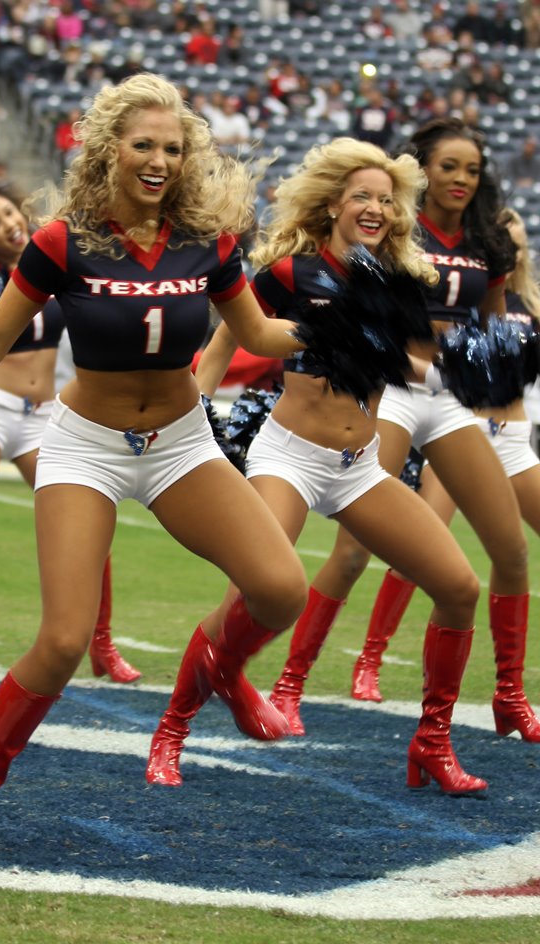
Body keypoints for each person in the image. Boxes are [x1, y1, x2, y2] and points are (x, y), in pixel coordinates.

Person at [0, 73, 308, 863]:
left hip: (182, 443)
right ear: (109, 149)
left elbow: (256, 331)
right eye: (144, 145)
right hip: (85, 444)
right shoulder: (64, 240)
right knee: (60, 640)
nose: (159, 159)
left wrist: (338, 327)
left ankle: (220, 672)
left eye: (173, 147)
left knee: (281, 588)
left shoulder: (210, 240)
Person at [146, 136, 488, 798]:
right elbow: (225, 341)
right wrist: (192, 420)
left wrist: (466, 371)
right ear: (333, 202)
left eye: (386, 201)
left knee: (459, 587)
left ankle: (433, 743)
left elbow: (411, 364)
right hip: (290, 457)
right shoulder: (290, 273)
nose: (375, 208)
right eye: (362, 195)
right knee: (253, 594)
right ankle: (173, 729)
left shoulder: (401, 284)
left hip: (360, 465)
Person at [261, 118, 534, 750]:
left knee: (510, 549)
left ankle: (509, 696)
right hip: (388, 390)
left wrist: (496, 388)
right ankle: (290, 684)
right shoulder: (392, 230)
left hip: (449, 397)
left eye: (472, 168)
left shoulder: (486, 242)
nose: (462, 179)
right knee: (355, 551)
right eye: (449, 167)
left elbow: (491, 332)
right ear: (423, 169)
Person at [0, 178, 141, 687]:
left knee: (91, 526)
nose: (9, 225)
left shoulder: (53, 262)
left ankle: (102, 646)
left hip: (42, 415)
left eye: (10, 213)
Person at [353, 206, 540, 703]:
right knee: (417, 548)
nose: (512, 245)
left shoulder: (531, 305)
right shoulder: (473, 291)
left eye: (517, 239)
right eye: (506, 238)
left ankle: (512, 688)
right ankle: (370, 658)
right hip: (464, 425)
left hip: (515, 440)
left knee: (515, 552)